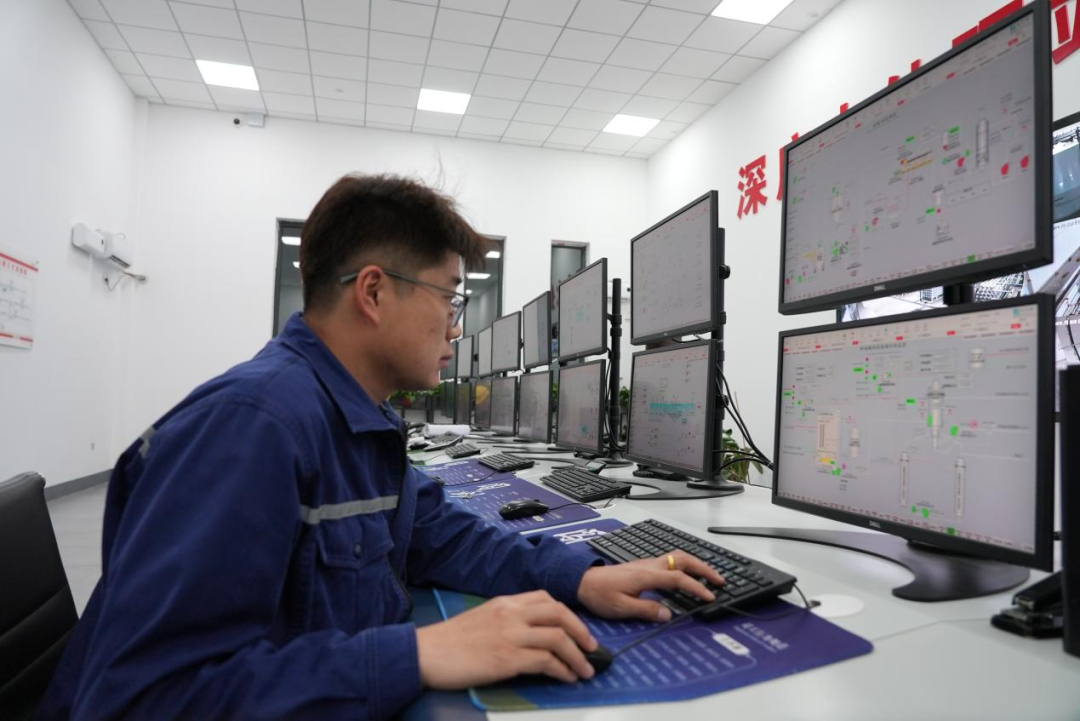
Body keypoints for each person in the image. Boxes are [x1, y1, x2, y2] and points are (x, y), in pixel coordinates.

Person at [38, 174, 725, 720]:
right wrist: (418, 653)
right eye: (450, 299)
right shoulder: (252, 429)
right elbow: (142, 699)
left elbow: (437, 534)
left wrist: (578, 576)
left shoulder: (358, 416)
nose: (455, 328)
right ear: (373, 292)